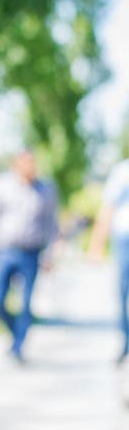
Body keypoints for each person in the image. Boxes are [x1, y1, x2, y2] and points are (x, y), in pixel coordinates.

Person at [0, 151, 59, 363]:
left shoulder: (46, 189)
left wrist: (50, 254)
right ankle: (15, 334)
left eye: (33, 164)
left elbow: (51, 224)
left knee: (26, 303)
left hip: (31, 252)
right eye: (26, 164)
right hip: (5, 251)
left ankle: (19, 347)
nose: (31, 168)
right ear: (16, 166)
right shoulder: (1, 185)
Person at [87, 155, 129, 365]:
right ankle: (126, 343)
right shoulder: (123, 171)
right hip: (125, 239)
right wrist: (97, 243)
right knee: (123, 293)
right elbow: (108, 207)